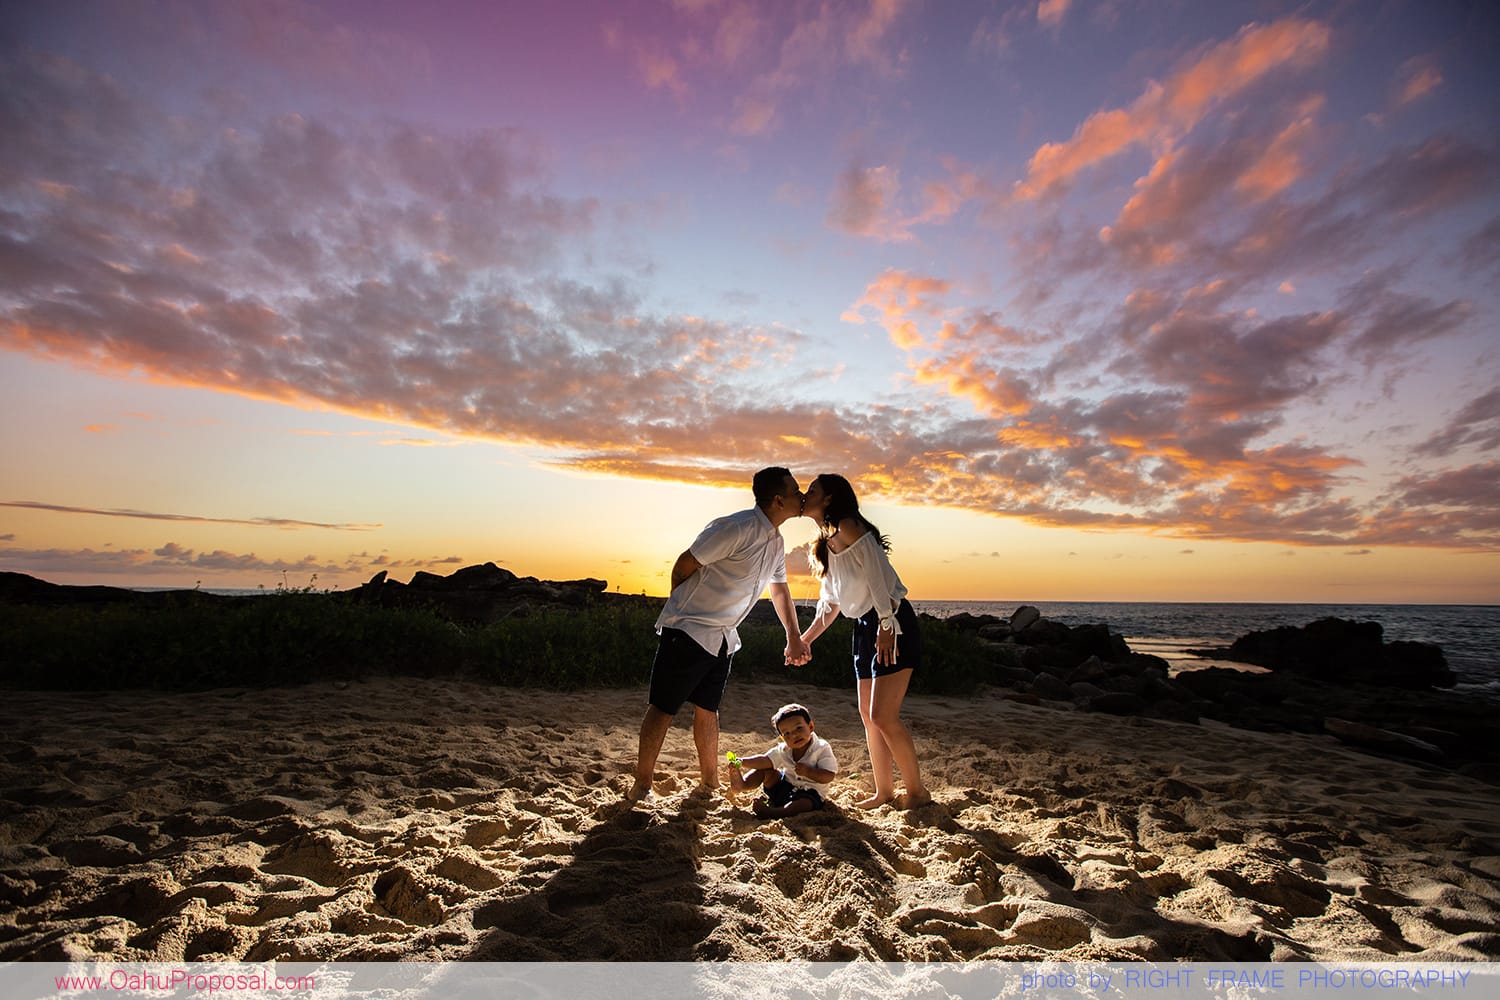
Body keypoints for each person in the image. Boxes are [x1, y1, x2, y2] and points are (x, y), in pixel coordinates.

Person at [627, 467, 809, 802]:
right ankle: (642, 784)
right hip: (689, 631)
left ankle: (709, 781)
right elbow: (685, 564)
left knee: (708, 709)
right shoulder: (736, 527)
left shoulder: (776, 541)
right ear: (779, 499)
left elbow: (780, 592)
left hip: (724, 637)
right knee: (663, 708)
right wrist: (680, 608)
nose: (802, 496)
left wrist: (793, 636)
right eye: (796, 491)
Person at [798, 473, 931, 810]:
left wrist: (886, 623)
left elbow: (875, 573)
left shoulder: (847, 525)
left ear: (828, 498)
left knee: (883, 715)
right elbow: (830, 606)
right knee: (869, 716)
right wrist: (804, 640)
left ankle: (917, 793)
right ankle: (884, 792)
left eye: (812, 490)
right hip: (864, 625)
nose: (805, 493)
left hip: (890, 620)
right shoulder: (826, 544)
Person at [728, 703, 838, 818]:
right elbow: (765, 760)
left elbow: (829, 776)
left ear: (810, 727)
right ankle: (742, 784)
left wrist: (809, 772)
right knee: (765, 770)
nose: (794, 735)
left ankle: (773, 813)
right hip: (785, 786)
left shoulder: (821, 748)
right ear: (782, 738)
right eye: (787, 733)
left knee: (800, 805)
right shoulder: (784, 749)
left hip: (809, 793)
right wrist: (741, 762)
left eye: (799, 728)